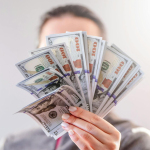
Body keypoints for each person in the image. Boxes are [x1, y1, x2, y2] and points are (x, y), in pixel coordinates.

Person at [1, 5, 150, 150]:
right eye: (51, 52)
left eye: (81, 51)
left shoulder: (136, 140)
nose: (66, 66)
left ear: (103, 59)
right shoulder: (13, 144)